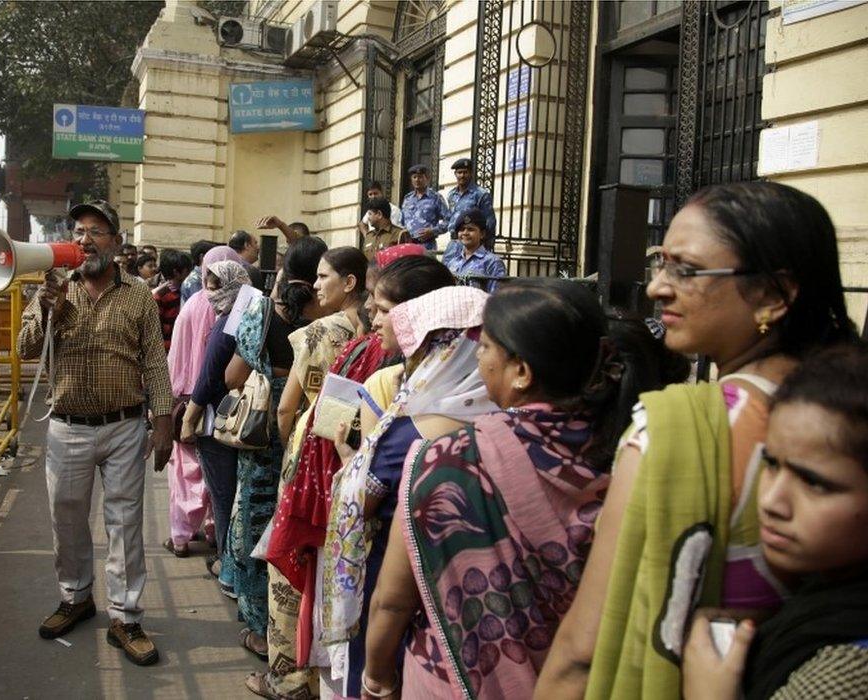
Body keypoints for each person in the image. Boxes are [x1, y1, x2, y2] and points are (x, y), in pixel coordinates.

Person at [537, 181, 857, 699]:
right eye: (660, 265)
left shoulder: (675, 432)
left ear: (774, 294)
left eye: (685, 270)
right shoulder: (842, 406)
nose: (657, 287)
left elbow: (583, 650)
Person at [361, 279, 690, 699]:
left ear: (521, 372)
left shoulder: (446, 459)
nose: (477, 360)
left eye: (485, 349)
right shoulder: (630, 455)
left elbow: (391, 602)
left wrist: (377, 679)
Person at [17, 199, 173, 666]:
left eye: (96, 231)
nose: (84, 239)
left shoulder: (138, 294)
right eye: (78, 231)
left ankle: (125, 618)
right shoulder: (53, 285)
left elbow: (153, 361)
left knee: (125, 524)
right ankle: (76, 598)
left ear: (117, 242)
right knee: (67, 520)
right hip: (68, 428)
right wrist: (46, 309)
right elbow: (25, 349)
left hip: (125, 425)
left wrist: (162, 420)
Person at [320, 282, 494, 699]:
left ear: (442, 352)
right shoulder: (506, 422)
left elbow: (360, 503)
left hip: (401, 598)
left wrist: (350, 463)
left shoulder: (411, 430)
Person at [681, 343, 868, 700]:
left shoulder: (848, 669)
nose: (771, 502)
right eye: (772, 465)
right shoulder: (819, 595)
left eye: (814, 483)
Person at [248, 247, 369, 699]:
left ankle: (289, 678)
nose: (315, 286)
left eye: (323, 277)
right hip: (354, 458)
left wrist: (290, 453)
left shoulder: (317, 333)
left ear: (350, 282)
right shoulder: (376, 334)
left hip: (313, 453)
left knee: (291, 565)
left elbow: (285, 408)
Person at [222, 236, 329, 663]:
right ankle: (296, 628)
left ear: (285, 269)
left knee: (252, 525)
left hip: (261, 437)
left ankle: (258, 627)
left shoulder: (262, 312)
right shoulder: (333, 320)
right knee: (296, 533)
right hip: (312, 438)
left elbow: (233, 376)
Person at [164, 245, 250, 558]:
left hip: (189, 399)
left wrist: (175, 401)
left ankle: (181, 536)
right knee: (218, 476)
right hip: (224, 404)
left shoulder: (192, 307)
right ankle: (214, 532)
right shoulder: (239, 307)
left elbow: (177, 358)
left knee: (186, 472)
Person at [442, 208, 507, 292]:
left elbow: (496, 297)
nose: (465, 233)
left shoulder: (492, 263)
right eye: (461, 229)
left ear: (482, 234)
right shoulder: (453, 262)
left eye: (470, 229)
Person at [443, 157, 496, 247]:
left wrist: (483, 242)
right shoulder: (452, 195)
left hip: (472, 242)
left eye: (465, 172)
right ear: (455, 174)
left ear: (471, 174)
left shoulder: (480, 194)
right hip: (454, 242)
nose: (462, 175)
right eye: (459, 172)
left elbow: (490, 221)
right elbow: (449, 218)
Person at [152, 249, 192, 353]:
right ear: (176, 272)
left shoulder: (188, 291)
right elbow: (156, 332)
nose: (191, 275)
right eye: (188, 271)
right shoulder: (161, 296)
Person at [400, 164, 449, 250]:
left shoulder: (435, 197)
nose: (417, 180)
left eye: (420, 177)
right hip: (408, 245)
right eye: (414, 177)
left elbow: (449, 221)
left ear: (427, 179)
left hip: (427, 245)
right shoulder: (407, 198)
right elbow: (401, 222)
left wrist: (433, 231)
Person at [359, 197, 410, 263]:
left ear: (379, 214)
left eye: (370, 214)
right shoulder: (369, 236)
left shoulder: (400, 234)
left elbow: (407, 263)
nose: (368, 218)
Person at [181, 239, 218, 305]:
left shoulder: (200, 276)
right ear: (202, 257)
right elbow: (201, 305)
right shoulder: (195, 281)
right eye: (212, 256)